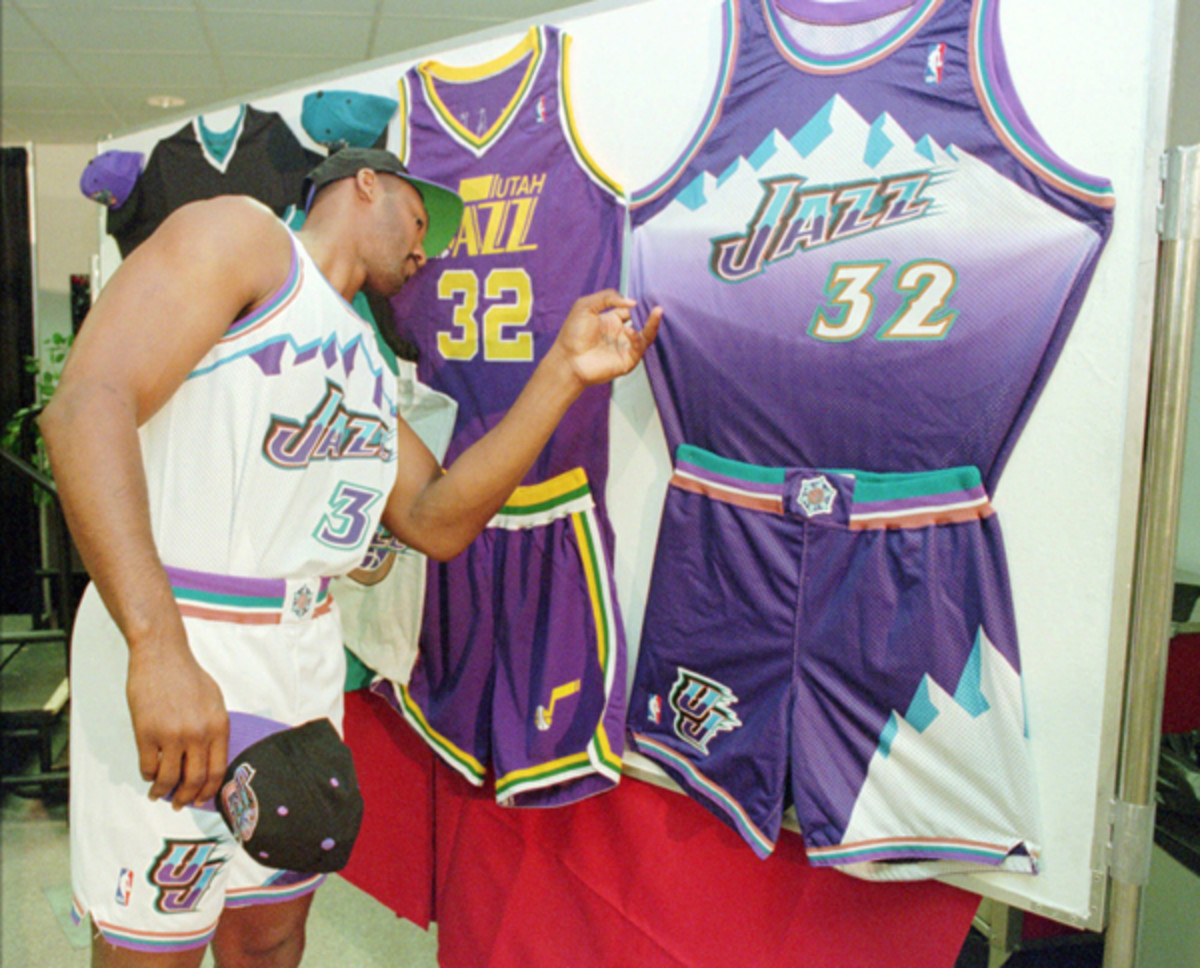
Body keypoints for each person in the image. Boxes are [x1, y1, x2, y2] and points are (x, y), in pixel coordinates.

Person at [40, 147, 661, 968]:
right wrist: (157, 644)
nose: (425, 248)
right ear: (365, 183)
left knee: (271, 930)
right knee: (155, 942)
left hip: (299, 650)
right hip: (182, 624)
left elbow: (436, 519)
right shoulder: (246, 239)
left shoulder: (366, 360)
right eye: (419, 218)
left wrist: (563, 374)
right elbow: (87, 402)